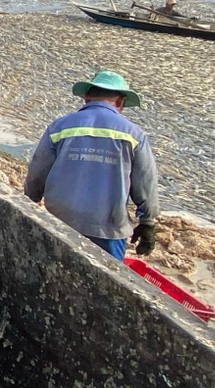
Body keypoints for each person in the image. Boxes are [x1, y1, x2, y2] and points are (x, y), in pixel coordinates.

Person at [23, 70, 160, 261]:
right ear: (120, 102)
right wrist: (147, 222)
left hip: (60, 221)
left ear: (87, 97)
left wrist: (31, 199)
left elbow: (37, 172)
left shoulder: (60, 127)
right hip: (108, 228)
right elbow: (146, 182)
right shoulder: (134, 135)